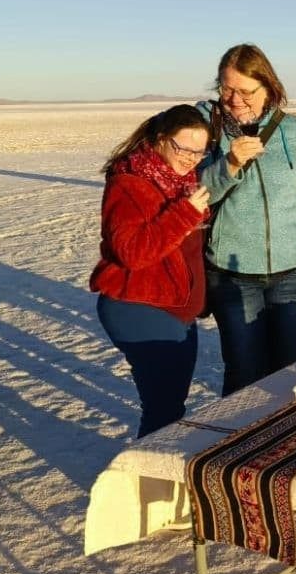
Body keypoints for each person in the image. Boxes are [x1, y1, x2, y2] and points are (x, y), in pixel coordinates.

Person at [196, 44, 296, 395]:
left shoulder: (291, 129)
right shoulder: (205, 128)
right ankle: (237, 447)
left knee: (288, 373)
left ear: (268, 88)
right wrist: (229, 165)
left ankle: (282, 446)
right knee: (243, 375)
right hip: (232, 275)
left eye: (245, 91)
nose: (234, 99)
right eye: (226, 89)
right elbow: (194, 198)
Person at [90, 105, 211, 437]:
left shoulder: (184, 181)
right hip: (139, 306)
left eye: (199, 151)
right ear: (161, 140)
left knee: (171, 407)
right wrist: (185, 214)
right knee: (164, 412)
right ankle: (147, 483)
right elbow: (132, 252)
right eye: (183, 148)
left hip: (176, 309)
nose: (191, 158)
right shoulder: (130, 183)